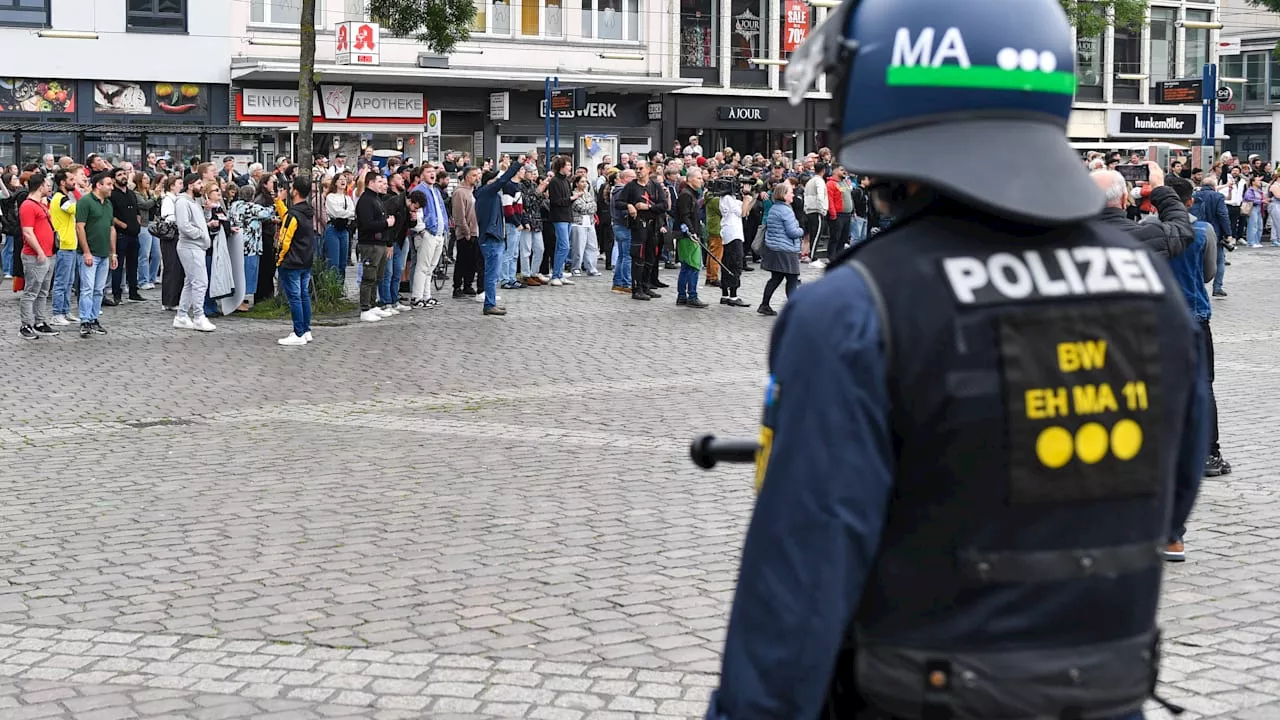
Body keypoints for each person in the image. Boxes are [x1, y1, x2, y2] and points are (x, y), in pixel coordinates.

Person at [707, 1, 1207, 718]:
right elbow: (1174, 490)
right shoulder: (1146, 286)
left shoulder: (853, 308)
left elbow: (796, 592)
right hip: (1105, 694)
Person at [475, 157, 524, 315]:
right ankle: (489, 304)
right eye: (494, 180)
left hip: (494, 236)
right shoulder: (487, 192)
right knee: (491, 274)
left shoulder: (490, 195)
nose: (498, 182)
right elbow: (503, 180)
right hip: (490, 237)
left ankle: (491, 301)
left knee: (493, 274)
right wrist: (517, 164)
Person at [74, 172, 118, 338]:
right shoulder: (85, 202)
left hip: (104, 253)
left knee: (99, 289)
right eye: (108, 184)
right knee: (87, 288)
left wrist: (113, 253)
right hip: (90, 253)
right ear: (98, 185)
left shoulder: (108, 204)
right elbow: (80, 227)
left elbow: (111, 228)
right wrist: (86, 252)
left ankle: (93, 319)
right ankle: (85, 321)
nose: (111, 187)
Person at [275, 175, 317, 346]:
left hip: (291, 261)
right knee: (303, 295)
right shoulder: (306, 211)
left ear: (295, 191)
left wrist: (279, 258)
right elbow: (288, 217)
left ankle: (298, 332)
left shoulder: (294, 214)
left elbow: (285, 239)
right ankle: (306, 330)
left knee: (295, 297)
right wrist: (279, 202)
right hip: (305, 259)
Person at [172, 173, 216, 333]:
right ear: (190, 185)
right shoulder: (183, 202)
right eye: (199, 183)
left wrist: (207, 213)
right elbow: (184, 226)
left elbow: (196, 222)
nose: (201, 186)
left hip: (196, 245)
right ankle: (198, 316)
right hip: (190, 246)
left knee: (191, 282)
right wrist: (201, 234)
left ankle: (182, 315)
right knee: (200, 281)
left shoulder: (193, 201)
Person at [17, 173, 58, 339]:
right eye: (47, 184)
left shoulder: (41, 204)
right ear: (40, 186)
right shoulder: (28, 205)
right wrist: (40, 251)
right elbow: (28, 231)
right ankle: (25, 324)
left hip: (48, 254)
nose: (49, 188)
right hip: (35, 256)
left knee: (43, 291)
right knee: (31, 291)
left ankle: (40, 321)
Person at [756, 182, 803, 317]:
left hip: (775, 247)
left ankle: (764, 304)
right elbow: (792, 232)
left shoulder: (774, 208)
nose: (793, 194)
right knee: (792, 278)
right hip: (785, 249)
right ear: (784, 194)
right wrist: (801, 230)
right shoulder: (785, 210)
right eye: (790, 192)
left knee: (776, 278)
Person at [355, 171, 397, 323]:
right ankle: (365, 308)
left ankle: (372, 304)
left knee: (377, 277)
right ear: (371, 183)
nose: (382, 185)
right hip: (370, 243)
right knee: (368, 276)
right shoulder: (366, 200)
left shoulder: (377, 199)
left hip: (380, 243)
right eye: (379, 182)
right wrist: (386, 223)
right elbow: (367, 224)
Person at [674, 166, 707, 308]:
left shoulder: (692, 194)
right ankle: (691, 295)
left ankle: (682, 296)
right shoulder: (686, 195)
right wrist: (692, 232)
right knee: (693, 265)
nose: (701, 180)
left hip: (689, 233)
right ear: (690, 179)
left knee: (687, 266)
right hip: (687, 235)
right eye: (699, 178)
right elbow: (684, 216)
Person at [718, 177, 752, 307]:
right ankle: (733, 295)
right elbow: (742, 213)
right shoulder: (727, 199)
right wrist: (746, 198)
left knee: (727, 262)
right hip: (733, 234)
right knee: (735, 264)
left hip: (731, 233)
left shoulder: (729, 198)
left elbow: (746, 210)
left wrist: (749, 198)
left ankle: (725, 293)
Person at [321, 174, 356, 282]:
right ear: (335, 182)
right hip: (333, 229)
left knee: (343, 261)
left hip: (344, 229)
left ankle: (340, 286)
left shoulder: (347, 198)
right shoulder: (331, 197)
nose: (343, 181)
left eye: (344, 180)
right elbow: (336, 212)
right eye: (340, 179)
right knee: (333, 261)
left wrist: (345, 213)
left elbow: (353, 212)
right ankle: (332, 286)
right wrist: (346, 213)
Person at [546, 155, 574, 286]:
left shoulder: (566, 181)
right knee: (564, 246)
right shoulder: (555, 182)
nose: (570, 167)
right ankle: (556, 274)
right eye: (568, 165)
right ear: (562, 166)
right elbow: (556, 201)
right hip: (559, 217)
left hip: (567, 216)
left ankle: (559, 273)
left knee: (561, 246)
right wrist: (572, 199)